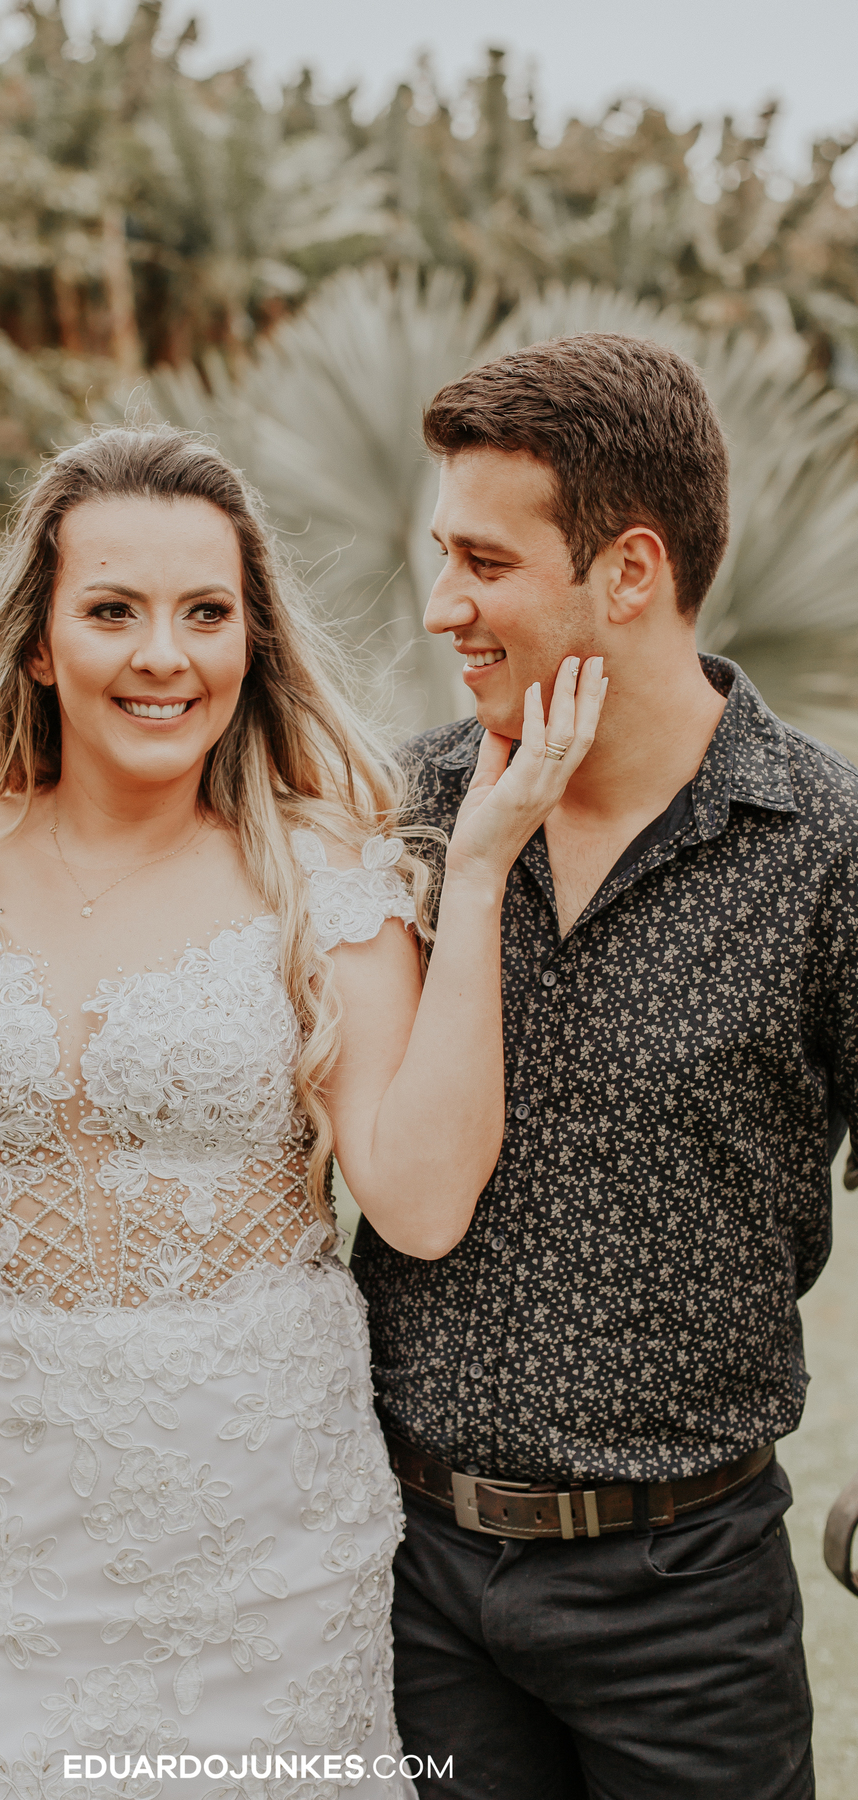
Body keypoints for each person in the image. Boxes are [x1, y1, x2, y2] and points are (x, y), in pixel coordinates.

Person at [0, 425, 602, 1797]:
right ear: (39, 643)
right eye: (114, 611)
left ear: (252, 642)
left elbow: (421, 1204)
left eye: (205, 614)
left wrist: (476, 877)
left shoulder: (326, 873)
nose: (164, 657)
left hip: (252, 1515)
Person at [348, 334, 854, 1800]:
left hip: (689, 1599)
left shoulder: (831, 849)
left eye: (485, 563)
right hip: (410, 1578)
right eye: (442, 558)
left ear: (629, 572)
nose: (443, 606)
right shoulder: (402, 810)